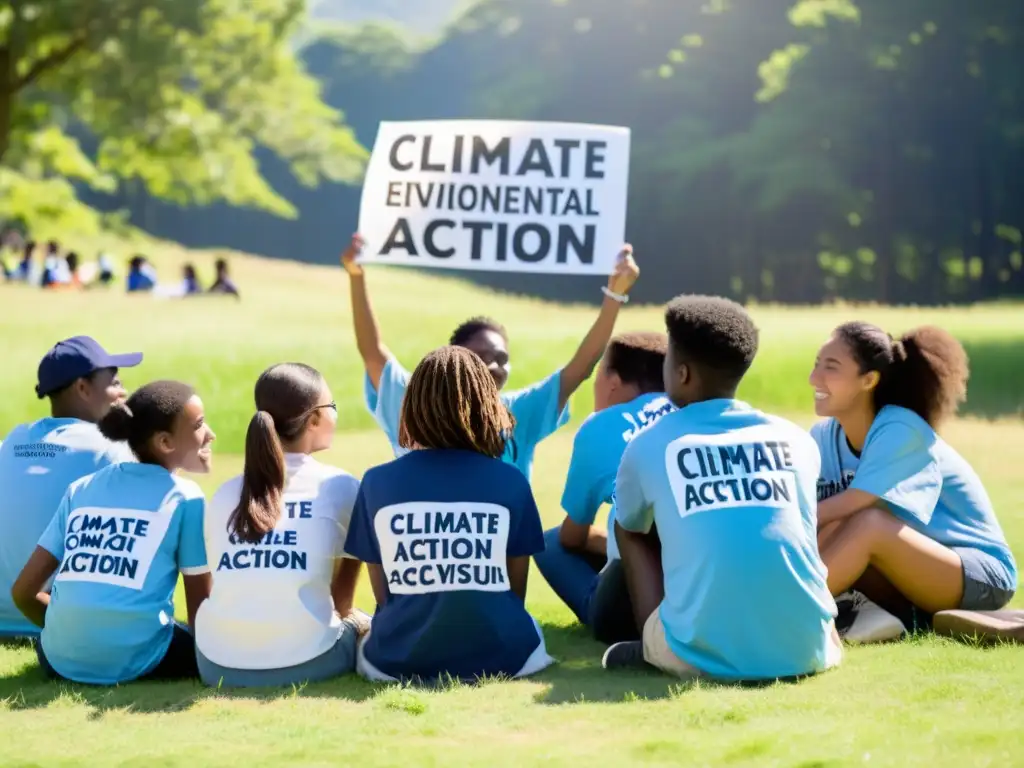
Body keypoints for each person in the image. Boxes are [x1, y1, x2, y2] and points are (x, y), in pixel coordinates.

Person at [602, 295, 841, 683]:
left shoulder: (650, 444)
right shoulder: (795, 439)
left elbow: (631, 521)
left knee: (627, 525)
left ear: (681, 373)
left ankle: (655, 645)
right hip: (810, 649)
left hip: (700, 661)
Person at [340, 233, 640, 480]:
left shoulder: (519, 412)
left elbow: (582, 366)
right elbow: (372, 352)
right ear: (454, 360)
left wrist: (615, 295)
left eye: (501, 357)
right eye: (480, 356)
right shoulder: (414, 404)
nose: (493, 365)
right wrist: (356, 275)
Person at [344, 346, 553, 683]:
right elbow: (516, 594)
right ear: (487, 406)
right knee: (528, 624)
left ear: (412, 407)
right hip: (509, 657)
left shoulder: (376, 482)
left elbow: (384, 598)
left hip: (392, 662)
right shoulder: (511, 480)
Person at [809, 322, 1017, 644]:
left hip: (980, 574)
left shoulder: (900, 429)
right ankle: (892, 616)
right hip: (908, 572)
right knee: (833, 527)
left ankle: (785, 613)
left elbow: (852, 505)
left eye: (830, 367)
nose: (814, 378)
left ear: (868, 380)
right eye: (816, 365)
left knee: (868, 523)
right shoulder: (823, 438)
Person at [11, 381, 215, 685]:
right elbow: (201, 609)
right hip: (137, 658)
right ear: (165, 442)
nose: (210, 433)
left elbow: (23, 592)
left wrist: (70, 631)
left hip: (58, 657)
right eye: (199, 425)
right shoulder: (186, 497)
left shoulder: (81, 488)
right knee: (185, 636)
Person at [195, 363, 365, 688]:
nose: (336, 414)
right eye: (333, 407)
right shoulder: (340, 486)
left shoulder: (226, 492)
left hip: (215, 664)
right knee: (364, 626)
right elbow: (342, 605)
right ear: (314, 419)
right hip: (309, 662)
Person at [534, 332, 673, 644]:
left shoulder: (601, 426)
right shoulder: (691, 413)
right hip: (701, 581)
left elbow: (573, 537)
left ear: (612, 381)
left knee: (550, 542)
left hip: (628, 606)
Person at [0, 337, 142, 639]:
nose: (123, 393)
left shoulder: (11, 442)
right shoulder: (111, 448)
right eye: (115, 383)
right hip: (55, 619)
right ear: (82, 388)